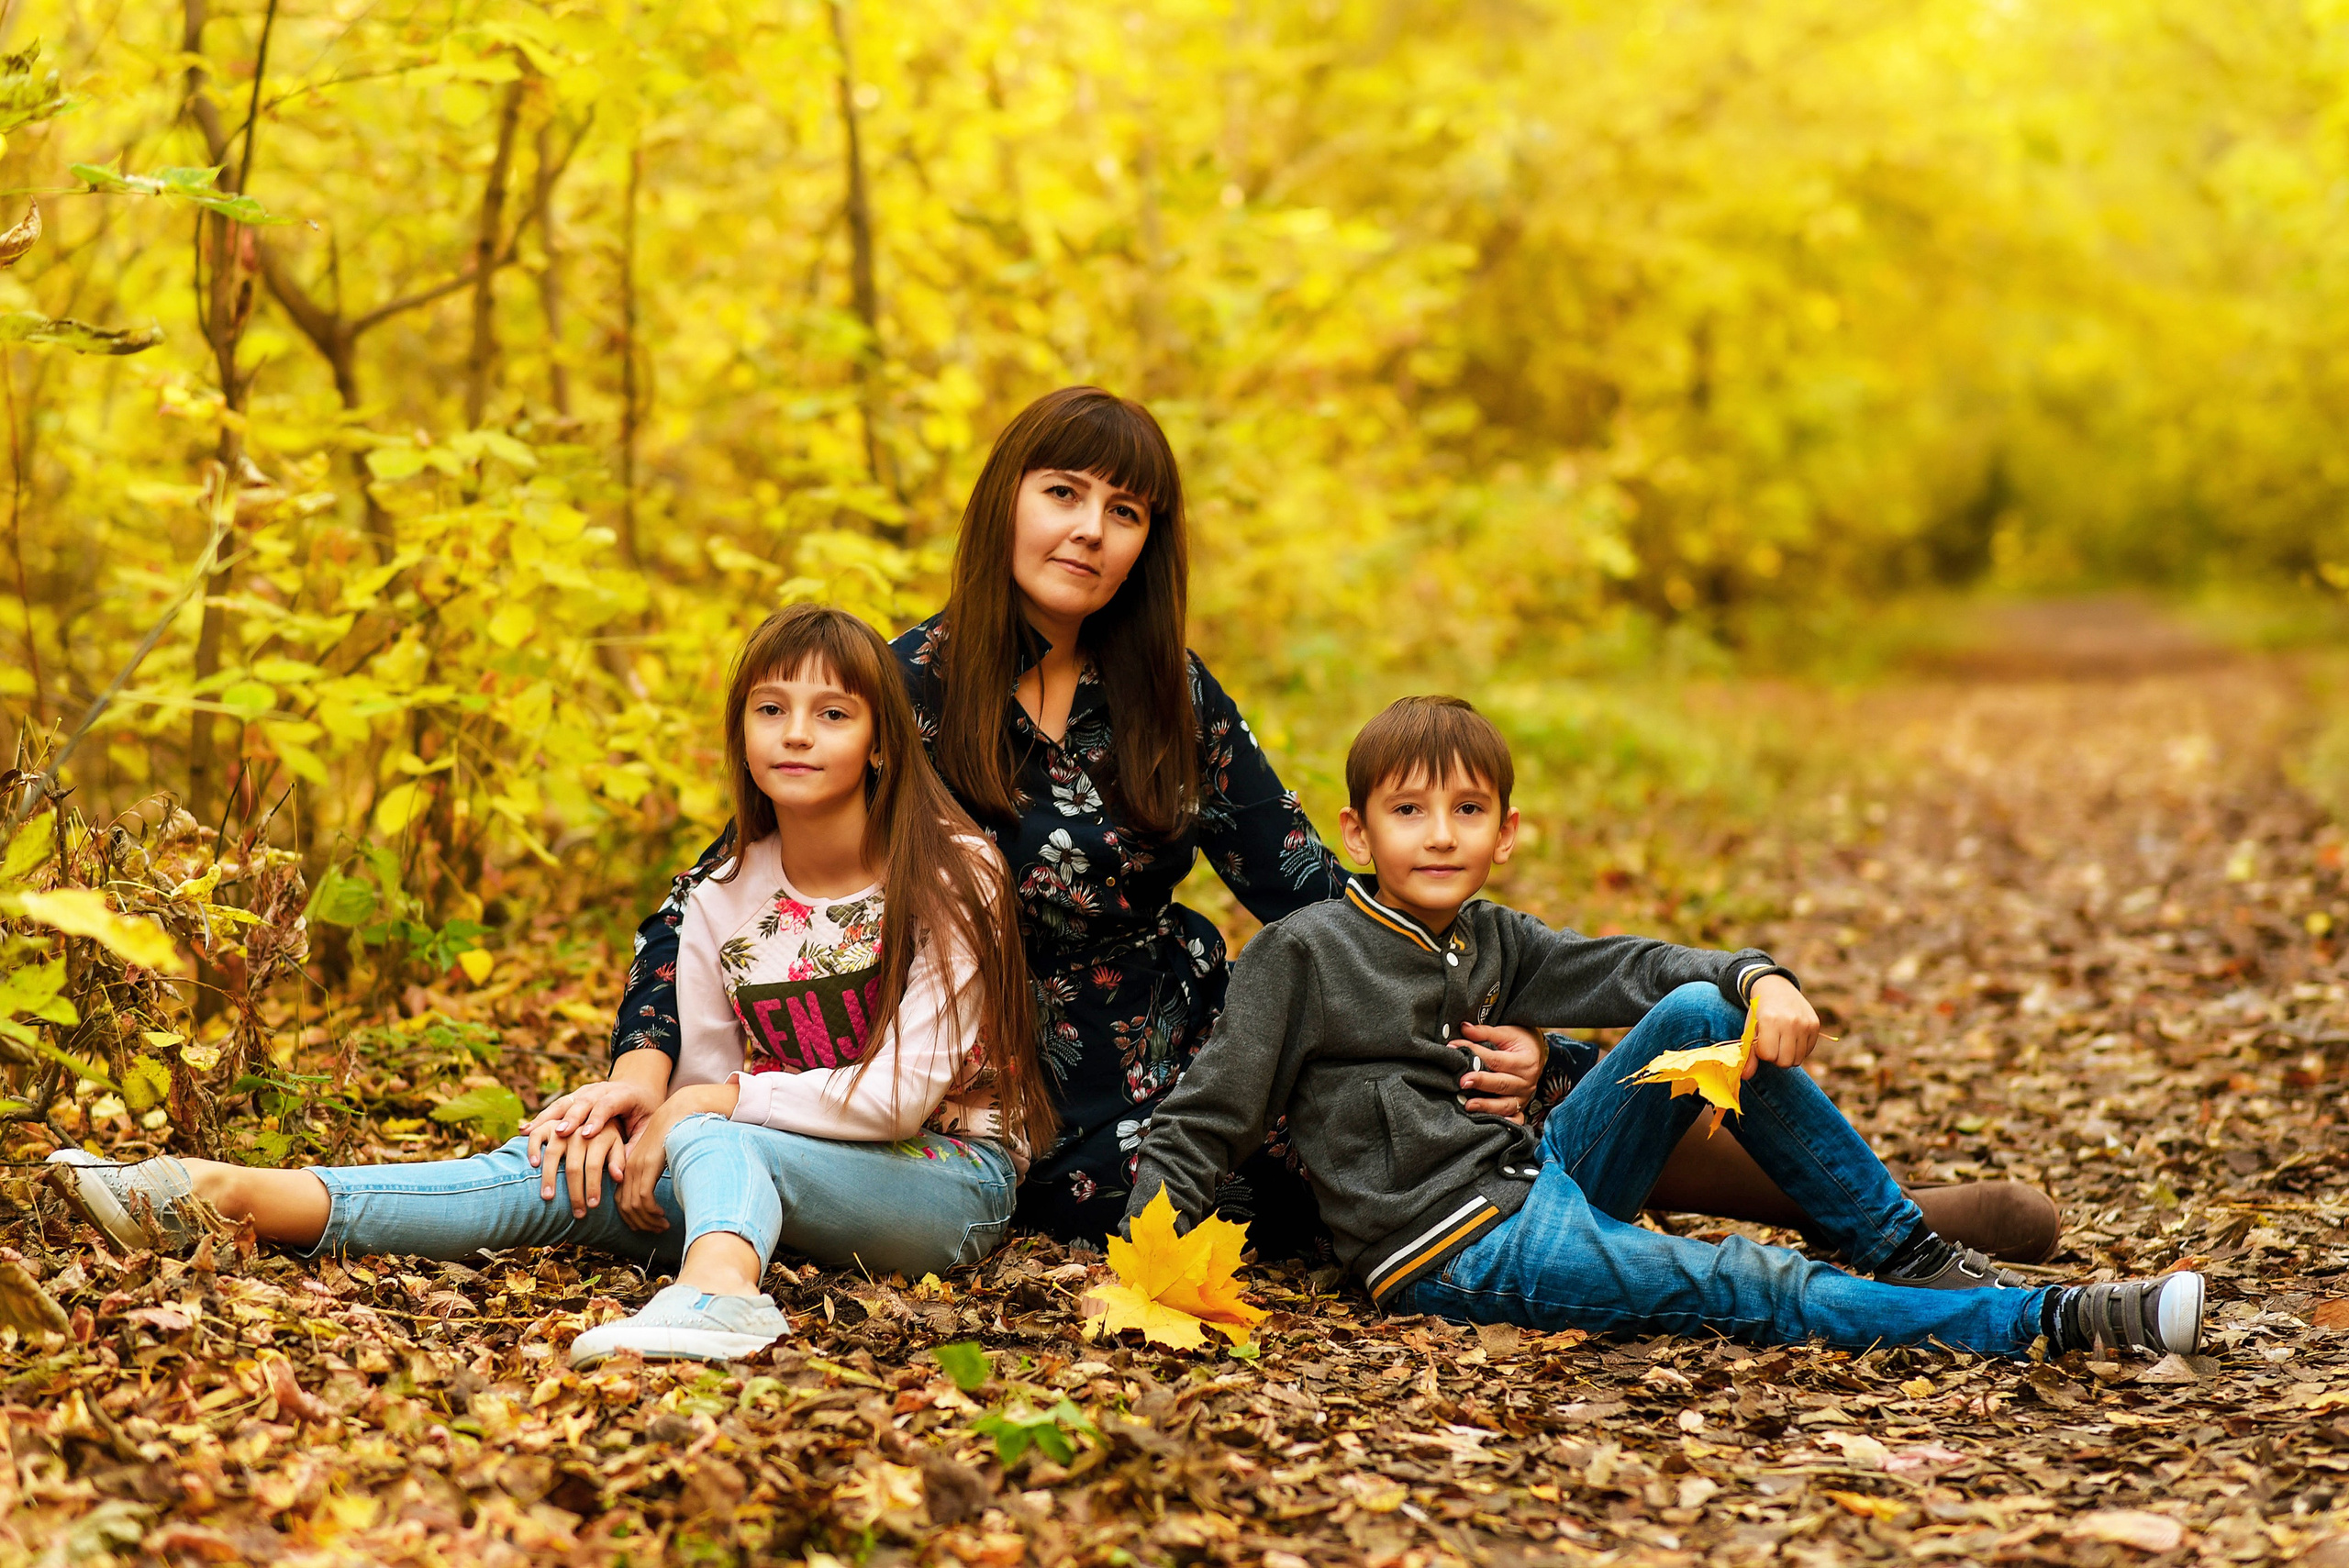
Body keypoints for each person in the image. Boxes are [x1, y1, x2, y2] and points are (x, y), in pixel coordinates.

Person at [564, 385, 2057, 1258]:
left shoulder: (1167, 694)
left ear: (1152, 540)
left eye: (1125, 508)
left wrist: (1467, 998)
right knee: (1345, 1178)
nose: (1090, 527)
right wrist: (648, 1064)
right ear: (1004, 500)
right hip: (981, 1081)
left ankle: (1852, 1196)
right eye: (1063, 490)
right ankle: (1738, 1204)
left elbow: (1306, 887)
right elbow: (722, 881)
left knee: (1428, 1070)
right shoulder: (897, 684)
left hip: (1189, 1032)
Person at [50, 606, 1052, 1366]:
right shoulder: (718, 891)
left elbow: (894, 1096)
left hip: (943, 1182)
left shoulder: (950, 871)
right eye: (771, 708)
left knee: (713, 1131)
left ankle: (720, 1290)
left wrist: (699, 1106)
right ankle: (221, 1194)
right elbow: (703, 1068)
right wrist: (633, 1121)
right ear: (742, 730)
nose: (797, 732)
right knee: (544, 1167)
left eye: (832, 712)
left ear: (879, 740)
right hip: (764, 1159)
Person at [1122, 695, 2204, 1357]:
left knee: (1695, 1011)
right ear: (1357, 827)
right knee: (1748, 1284)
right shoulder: (1304, 952)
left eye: (1466, 812)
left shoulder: (1492, 937)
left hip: (1537, 1174)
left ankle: (1904, 1250)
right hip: (1449, 1244)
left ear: (1506, 833)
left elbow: (1634, 968)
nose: (1438, 835)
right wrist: (1144, 1275)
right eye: (1408, 811)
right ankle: (2050, 1323)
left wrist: (1758, 977)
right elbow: (1202, 1118)